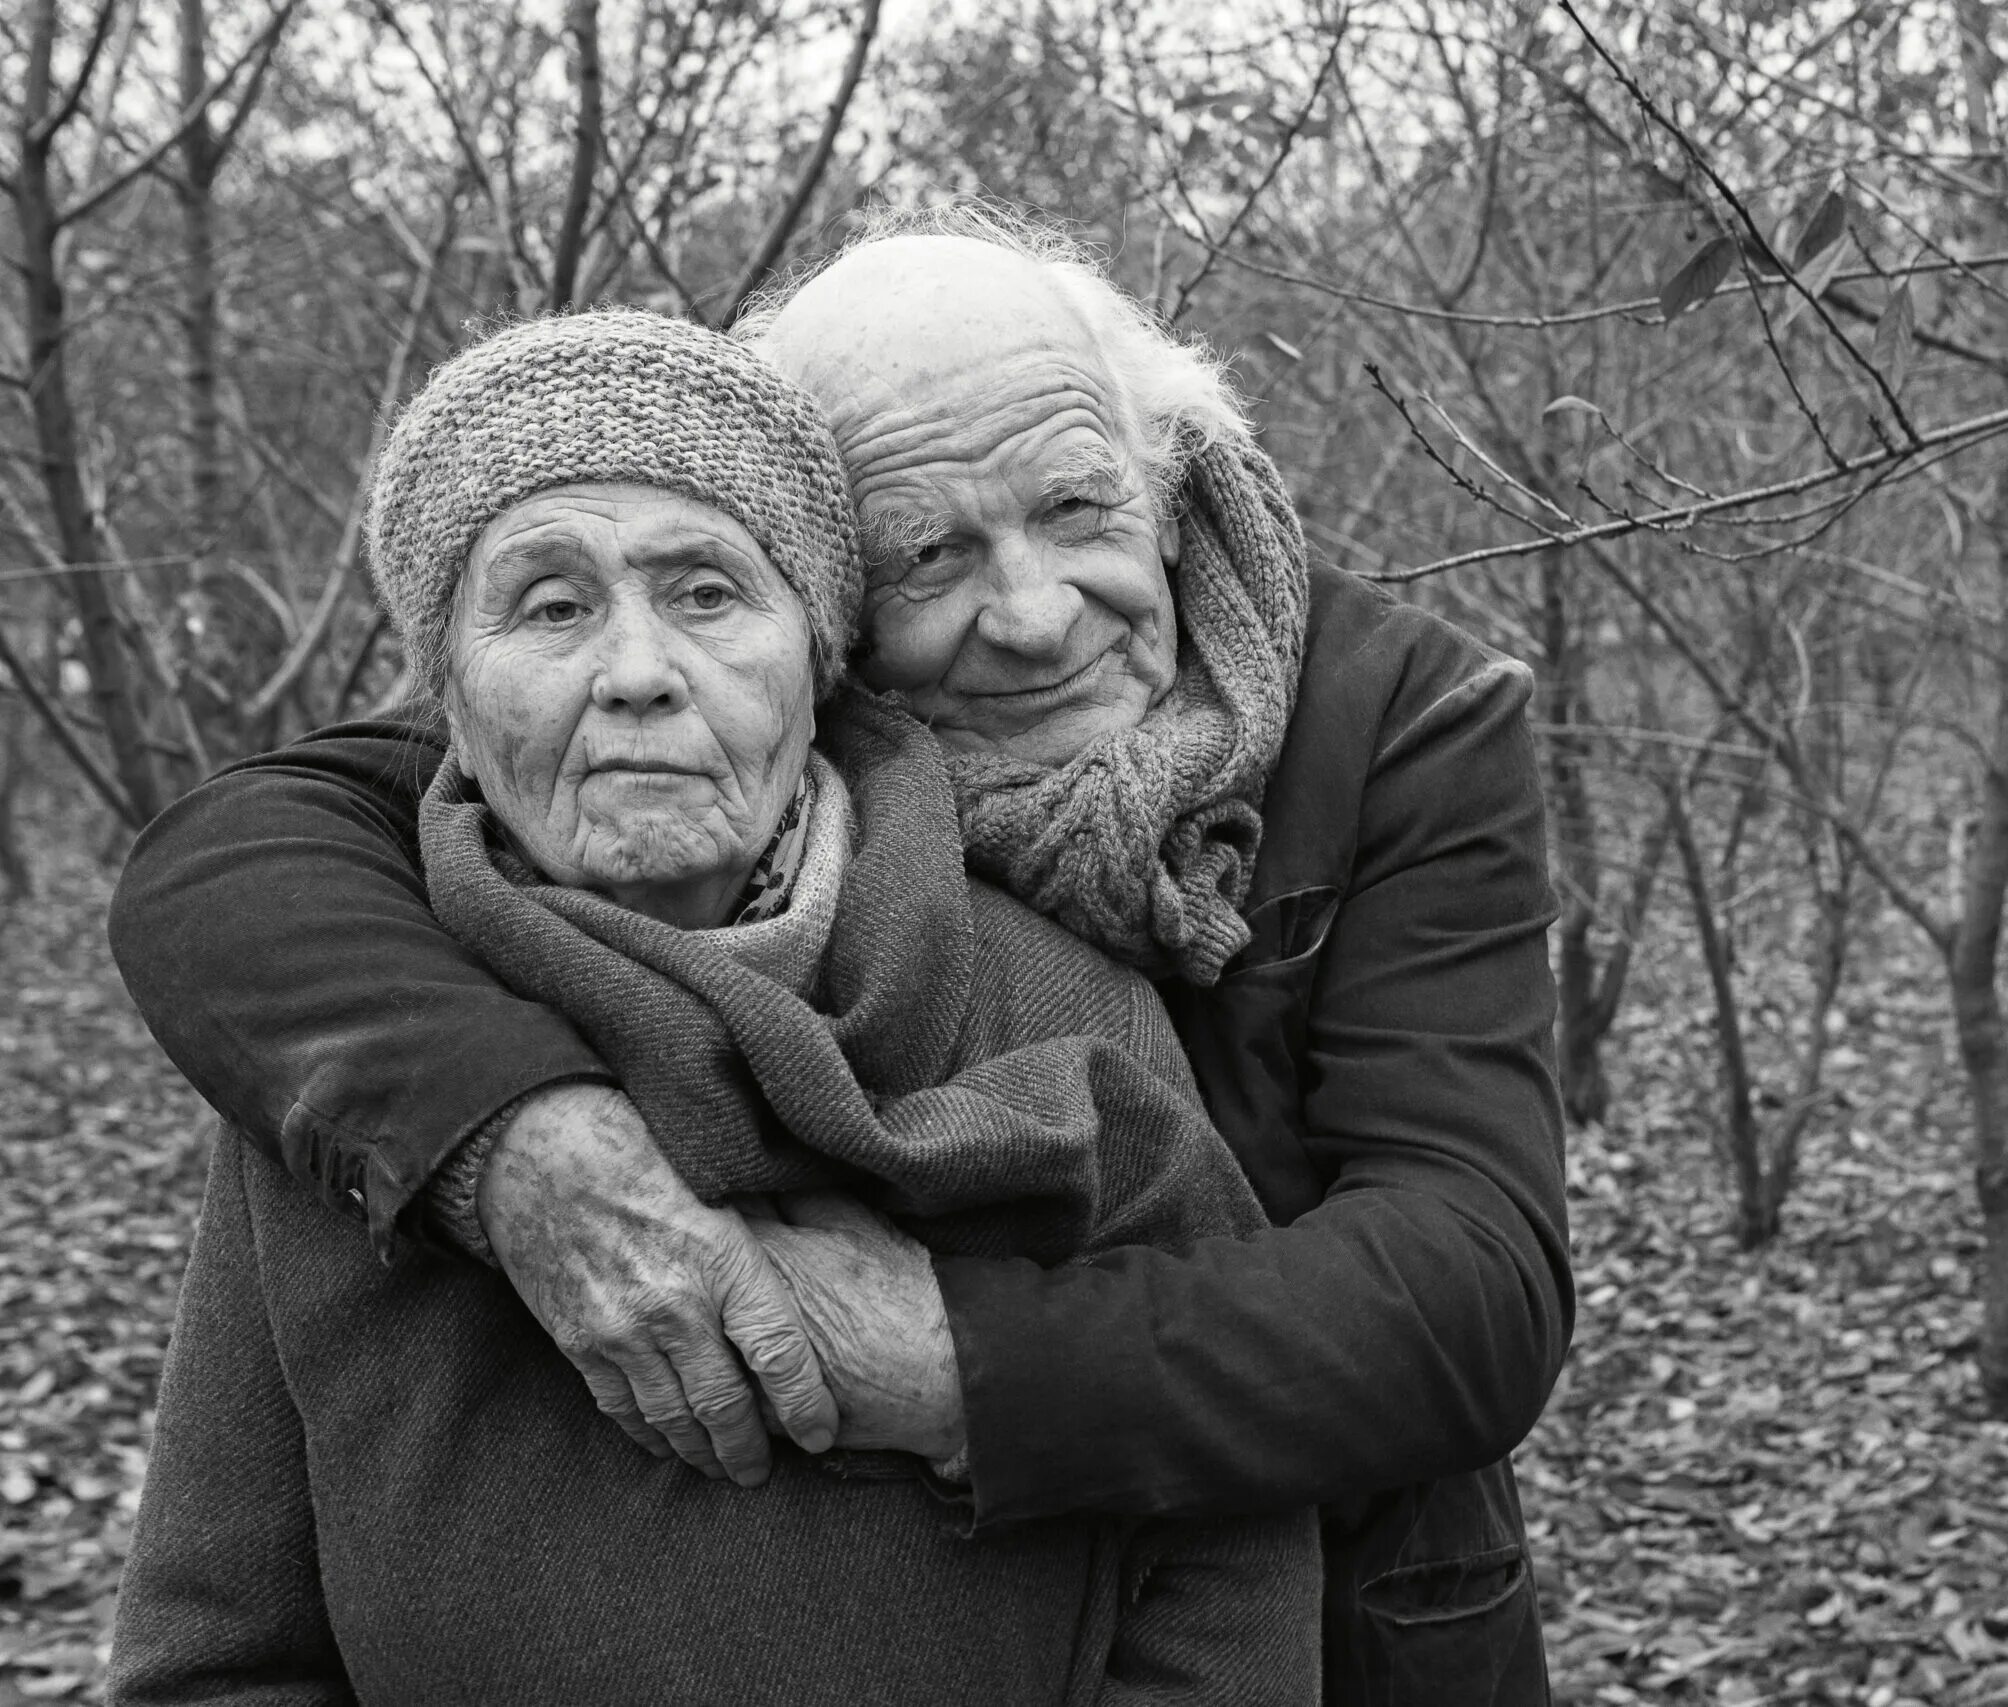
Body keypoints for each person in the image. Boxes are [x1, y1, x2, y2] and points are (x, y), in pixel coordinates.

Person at [110, 202, 1571, 1707]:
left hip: (1362, 1600)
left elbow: (1475, 1291)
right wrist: (517, 1138)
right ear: (838, 607)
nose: (1032, 611)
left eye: (1078, 508)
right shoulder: (631, 735)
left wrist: (945, 1362)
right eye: (929, 551)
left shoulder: (1394, 724)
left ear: (1169, 477)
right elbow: (235, 855)